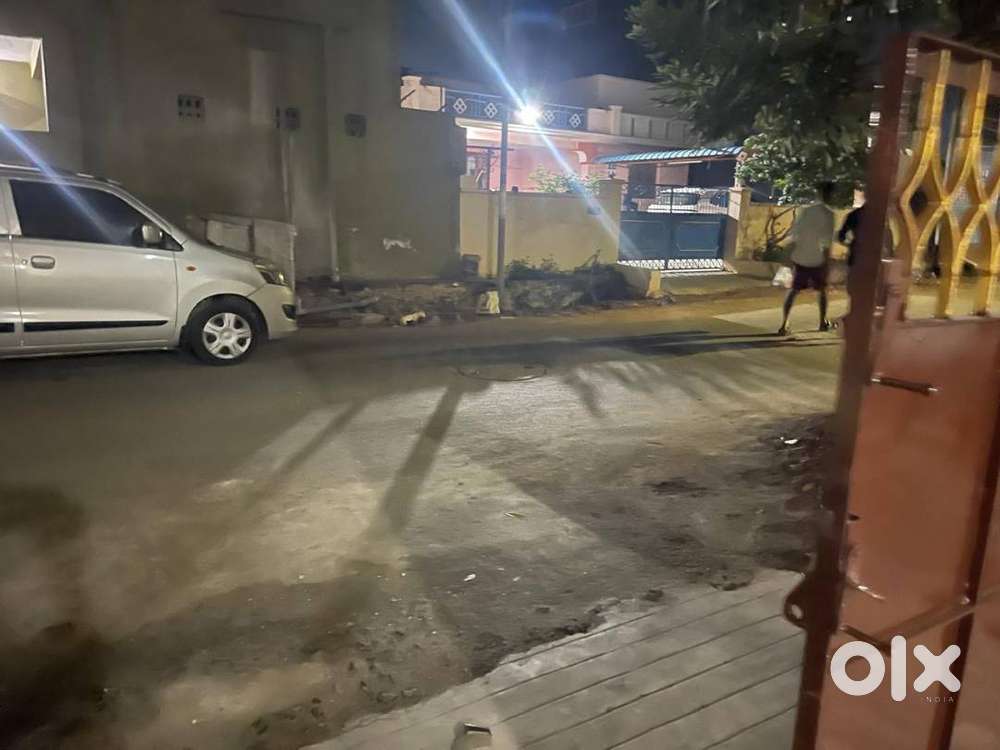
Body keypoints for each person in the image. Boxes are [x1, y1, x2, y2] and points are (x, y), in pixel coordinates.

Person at [778, 182, 837, 336]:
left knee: (793, 290)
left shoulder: (806, 211)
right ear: (830, 195)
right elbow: (827, 242)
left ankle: (784, 324)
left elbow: (795, 234)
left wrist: (790, 255)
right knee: (822, 290)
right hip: (818, 258)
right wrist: (827, 263)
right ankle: (822, 322)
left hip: (801, 256)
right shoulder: (829, 214)